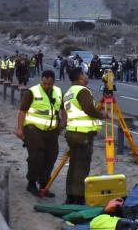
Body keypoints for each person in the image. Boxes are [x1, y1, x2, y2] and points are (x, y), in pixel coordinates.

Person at [15, 70, 66, 197]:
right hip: (33, 129)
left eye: (49, 84)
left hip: (52, 131)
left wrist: (64, 122)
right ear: (41, 81)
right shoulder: (32, 92)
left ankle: (44, 184)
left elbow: (63, 109)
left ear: (53, 82)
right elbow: (22, 111)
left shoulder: (59, 92)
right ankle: (31, 183)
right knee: (36, 156)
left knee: (50, 157)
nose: (47, 86)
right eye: (44, 83)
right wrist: (19, 128)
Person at [63, 67, 104, 204]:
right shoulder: (82, 91)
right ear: (80, 76)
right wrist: (102, 114)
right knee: (82, 166)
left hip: (72, 132)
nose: (87, 76)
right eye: (85, 73)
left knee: (74, 164)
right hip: (82, 134)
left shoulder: (69, 91)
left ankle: (70, 195)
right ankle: (79, 197)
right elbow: (89, 109)